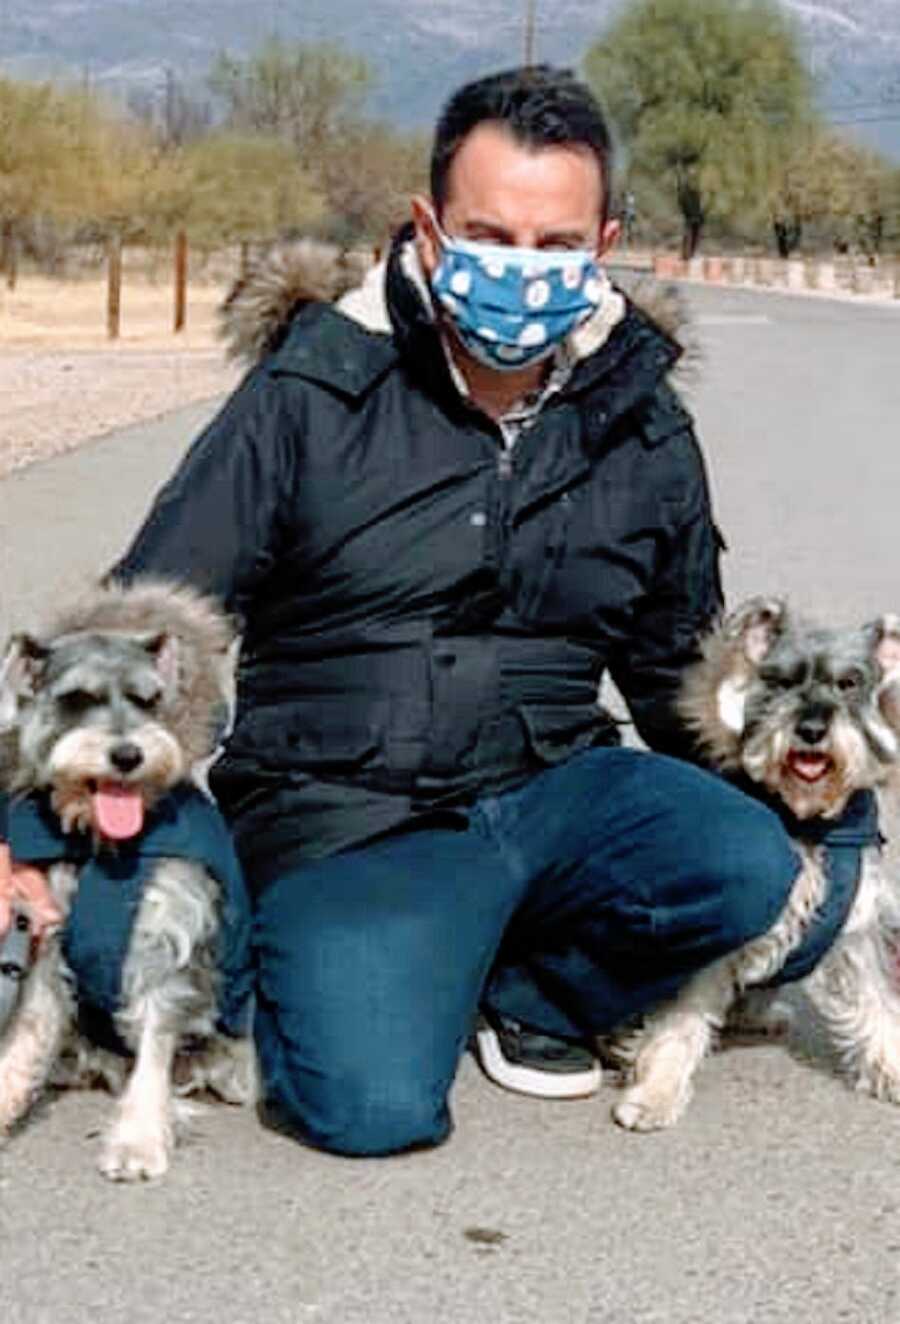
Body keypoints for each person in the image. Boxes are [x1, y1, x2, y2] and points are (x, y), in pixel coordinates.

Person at [0, 66, 852, 1155]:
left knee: (745, 864)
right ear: (429, 230)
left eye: (555, 248)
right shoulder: (313, 394)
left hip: (551, 785)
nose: (521, 270)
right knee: (367, 1106)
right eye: (489, 234)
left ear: (603, 246)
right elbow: (146, 623)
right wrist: (26, 824)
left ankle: (535, 992)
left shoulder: (640, 423)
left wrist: (819, 812)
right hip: (346, 811)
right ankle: (393, 954)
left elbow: (676, 670)